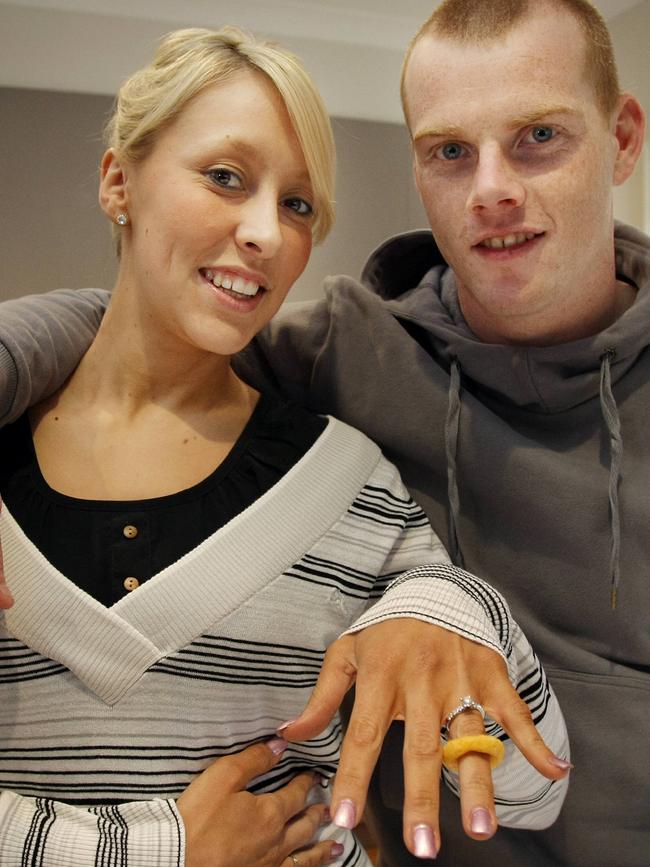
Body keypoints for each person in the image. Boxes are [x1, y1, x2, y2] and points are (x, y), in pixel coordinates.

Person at [0, 20, 573, 867]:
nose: (267, 234)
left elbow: (535, 787)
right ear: (118, 180)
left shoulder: (345, 483)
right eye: (225, 177)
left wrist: (457, 610)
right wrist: (166, 850)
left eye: (298, 204)